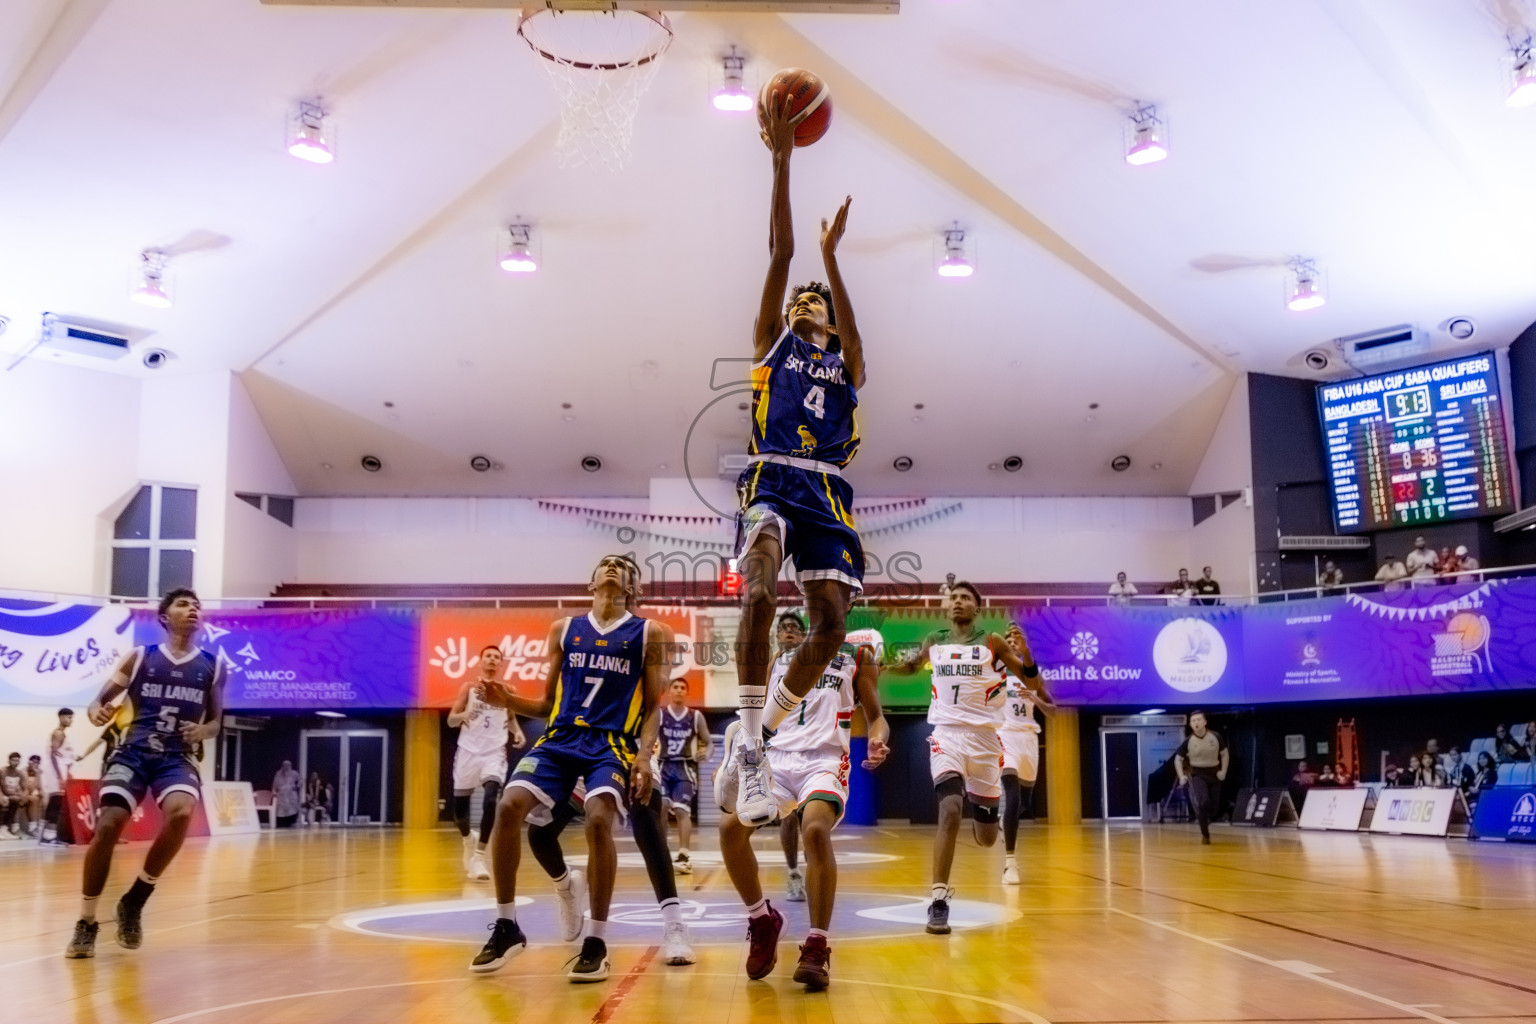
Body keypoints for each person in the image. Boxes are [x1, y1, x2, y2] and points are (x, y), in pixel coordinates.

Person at [726, 90, 867, 831]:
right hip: (774, 473)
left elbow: (851, 338)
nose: (801, 302)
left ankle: (768, 728)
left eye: (813, 300)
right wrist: (781, 159)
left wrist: (833, 262)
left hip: (831, 491)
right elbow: (780, 254)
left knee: (831, 629)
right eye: (797, 302)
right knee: (756, 591)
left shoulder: (845, 363)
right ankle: (750, 746)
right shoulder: (770, 346)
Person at [467, 555, 671, 984]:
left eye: (623, 567)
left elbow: (653, 706)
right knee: (508, 807)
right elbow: (545, 704)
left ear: (634, 588)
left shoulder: (650, 632)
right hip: (559, 739)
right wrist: (509, 702)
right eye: (606, 564)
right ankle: (507, 927)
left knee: (599, 820)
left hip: (611, 743)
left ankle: (596, 942)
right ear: (590, 583)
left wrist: (645, 755)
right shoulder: (564, 628)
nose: (614, 567)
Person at [715, 626, 888, 990]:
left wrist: (876, 739)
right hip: (776, 758)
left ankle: (816, 944)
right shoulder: (780, 658)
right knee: (730, 830)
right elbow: (757, 708)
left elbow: (876, 716)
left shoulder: (858, 656)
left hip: (825, 759)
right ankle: (762, 920)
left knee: (813, 830)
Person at [65, 588, 226, 959]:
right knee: (107, 826)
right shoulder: (140, 658)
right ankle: (87, 921)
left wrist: (204, 731)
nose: (193, 610)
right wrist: (96, 712)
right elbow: (97, 702)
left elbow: (217, 721)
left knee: (182, 813)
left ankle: (135, 899)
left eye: (197, 606)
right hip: (133, 753)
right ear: (165, 616)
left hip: (176, 757)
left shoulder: (213, 666)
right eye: (183, 604)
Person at [883, 581, 1042, 934]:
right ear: (947, 605)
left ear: (977, 607)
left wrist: (1027, 655)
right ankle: (938, 900)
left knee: (986, 839)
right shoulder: (935, 640)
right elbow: (911, 667)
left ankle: (986, 813)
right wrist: (882, 666)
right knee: (950, 809)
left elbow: (1031, 684)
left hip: (986, 741)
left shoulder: (993, 642)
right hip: (947, 735)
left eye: (965, 598)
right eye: (953, 597)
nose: (958, 601)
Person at [447, 646, 526, 881]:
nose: (492, 659)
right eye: (488, 656)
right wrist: (464, 716)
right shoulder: (469, 688)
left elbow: (510, 718)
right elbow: (452, 720)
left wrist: (518, 732)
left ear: (500, 663)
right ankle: (467, 840)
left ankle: (479, 856)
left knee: (492, 797)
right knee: (459, 815)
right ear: (480, 661)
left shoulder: (507, 690)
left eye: (496, 657)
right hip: (468, 752)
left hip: (494, 752)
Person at [999, 629, 1053, 885]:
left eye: (1015, 642)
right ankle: (1010, 864)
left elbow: (1053, 711)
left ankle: (1003, 822)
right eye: (1007, 642)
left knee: (1024, 802)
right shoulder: (993, 674)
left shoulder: (1032, 678)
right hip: (1004, 736)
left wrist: (1033, 697)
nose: (1012, 645)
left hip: (1028, 738)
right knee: (1011, 795)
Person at [655, 677, 711, 876]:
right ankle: (660, 852)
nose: (679, 690)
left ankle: (684, 854)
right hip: (662, 765)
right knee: (660, 805)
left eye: (682, 688)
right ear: (669, 692)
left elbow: (709, 743)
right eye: (675, 687)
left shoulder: (695, 716)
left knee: (681, 810)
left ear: (686, 692)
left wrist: (707, 753)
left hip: (685, 767)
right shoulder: (660, 715)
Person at [1173, 711, 1228, 845]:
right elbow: (1177, 759)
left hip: (1214, 773)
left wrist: (1223, 771)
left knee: (1213, 808)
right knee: (1203, 803)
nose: (1196, 723)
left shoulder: (1215, 736)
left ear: (1204, 722)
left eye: (1198, 720)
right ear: (1190, 724)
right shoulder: (1188, 741)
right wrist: (1181, 776)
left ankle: (1206, 816)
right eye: (1193, 721)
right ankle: (1205, 835)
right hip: (1197, 774)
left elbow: (1225, 754)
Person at [41, 707, 78, 843]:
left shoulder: (63, 734)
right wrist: (59, 776)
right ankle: (49, 836)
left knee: (55, 802)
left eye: (71, 718)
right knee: (56, 802)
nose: (71, 720)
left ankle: (46, 835)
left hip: (59, 771)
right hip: (55, 772)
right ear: (61, 717)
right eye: (68, 717)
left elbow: (63, 756)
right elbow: (53, 755)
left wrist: (67, 772)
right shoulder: (58, 734)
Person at [271, 760, 302, 828]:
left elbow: (300, 781)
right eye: (285, 765)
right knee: (281, 810)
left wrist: (297, 786)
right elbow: (274, 784)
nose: (287, 766)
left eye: (288, 765)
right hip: (281, 794)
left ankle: (291, 822)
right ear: (282, 765)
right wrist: (274, 792)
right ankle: (281, 823)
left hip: (291, 793)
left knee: (292, 808)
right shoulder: (278, 773)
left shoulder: (294, 773)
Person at [0, 752, 23, 838]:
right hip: (2, 794)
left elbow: (23, 788)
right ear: (9, 761)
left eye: (17, 760)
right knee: (4, 801)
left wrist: (21, 795)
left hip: (11, 795)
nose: (15, 762)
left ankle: (4, 829)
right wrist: (2, 796)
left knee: (16, 800)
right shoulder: (3, 771)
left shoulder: (20, 773)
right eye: (13, 760)